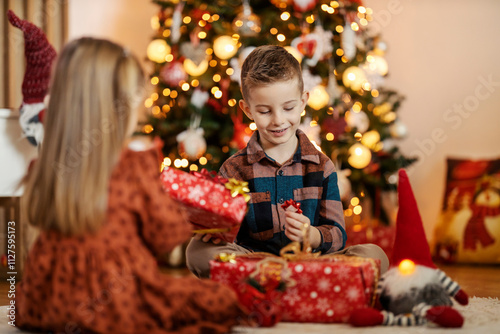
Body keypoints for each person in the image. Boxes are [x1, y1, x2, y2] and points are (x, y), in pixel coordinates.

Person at [17, 36, 246, 334]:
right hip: (117, 297)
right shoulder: (133, 168)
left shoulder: (45, 167)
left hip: (47, 301)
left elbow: (37, 215)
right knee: (219, 300)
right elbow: (167, 236)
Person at [186, 45, 389, 278]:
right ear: (247, 110)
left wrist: (311, 235)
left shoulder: (322, 167)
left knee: (374, 255)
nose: (278, 120)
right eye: (264, 111)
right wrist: (215, 232)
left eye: (288, 108)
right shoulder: (233, 169)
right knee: (197, 251)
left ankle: (285, 282)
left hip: (311, 261)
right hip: (255, 261)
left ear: (303, 102)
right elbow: (229, 231)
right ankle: (283, 281)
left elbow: (337, 234)